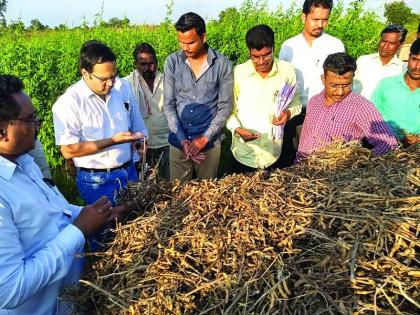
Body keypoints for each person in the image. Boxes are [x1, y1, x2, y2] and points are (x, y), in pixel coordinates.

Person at [0, 74, 125, 314]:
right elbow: (9, 289)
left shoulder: (26, 163)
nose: (38, 126)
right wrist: (79, 230)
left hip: (69, 302)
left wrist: (97, 214)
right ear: (2, 131)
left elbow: (53, 214)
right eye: (30, 119)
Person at [53, 40, 147, 250]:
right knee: (103, 238)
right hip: (96, 180)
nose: (110, 83)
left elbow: (137, 124)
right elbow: (68, 150)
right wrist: (113, 141)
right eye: (104, 79)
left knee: (136, 231)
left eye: (113, 75)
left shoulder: (123, 88)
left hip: (128, 173)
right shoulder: (69, 102)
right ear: (85, 73)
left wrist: (139, 142)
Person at [163, 12, 233, 181]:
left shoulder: (222, 64)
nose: (185, 48)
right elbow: (169, 105)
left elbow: (225, 105)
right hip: (178, 143)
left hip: (208, 145)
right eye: (181, 42)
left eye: (191, 42)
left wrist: (204, 138)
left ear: (203, 37)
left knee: (206, 196)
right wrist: (183, 141)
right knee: (178, 195)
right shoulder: (172, 62)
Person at [296, 53, 398, 162]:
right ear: (323, 79)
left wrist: (357, 160)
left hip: (333, 174)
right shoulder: (314, 101)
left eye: (346, 85)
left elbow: (389, 144)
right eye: (334, 85)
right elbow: (305, 137)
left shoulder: (361, 107)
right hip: (300, 168)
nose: (340, 92)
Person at [227, 25, 301, 172]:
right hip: (244, 152)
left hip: (274, 150)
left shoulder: (287, 71)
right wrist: (237, 129)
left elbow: (296, 102)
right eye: (255, 56)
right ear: (249, 52)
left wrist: (288, 114)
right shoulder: (239, 72)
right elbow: (229, 109)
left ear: (274, 48)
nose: (261, 61)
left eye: (266, 55)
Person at [279, 0, 345, 162]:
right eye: (315, 19)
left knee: (322, 161)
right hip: (295, 114)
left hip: (326, 114)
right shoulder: (289, 46)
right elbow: (283, 82)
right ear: (304, 17)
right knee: (293, 160)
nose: (320, 24)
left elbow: (341, 80)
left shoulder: (334, 45)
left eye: (325, 20)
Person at [125, 43, 170, 180]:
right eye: (142, 64)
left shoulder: (167, 80)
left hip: (167, 142)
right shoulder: (127, 84)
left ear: (156, 62)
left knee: (169, 183)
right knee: (146, 185)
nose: (147, 67)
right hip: (142, 145)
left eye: (151, 63)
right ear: (135, 64)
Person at [371, 39, 420, 146]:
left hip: (414, 154)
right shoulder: (386, 84)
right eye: (415, 59)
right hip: (381, 147)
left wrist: (416, 139)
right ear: (408, 57)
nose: (417, 67)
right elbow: (369, 117)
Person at [354, 24, 407, 99]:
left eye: (391, 43)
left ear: (401, 45)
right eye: (383, 41)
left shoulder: (403, 69)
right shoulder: (363, 61)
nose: (385, 46)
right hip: (356, 108)